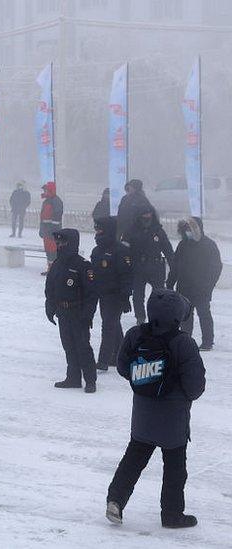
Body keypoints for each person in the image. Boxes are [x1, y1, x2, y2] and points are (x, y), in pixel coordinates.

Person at [106, 289, 205, 529]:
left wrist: (145, 380)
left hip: (142, 416)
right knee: (175, 470)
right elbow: (195, 386)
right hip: (173, 421)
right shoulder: (184, 343)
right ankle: (172, 515)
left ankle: (115, 500)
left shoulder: (135, 334)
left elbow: (122, 367)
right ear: (178, 316)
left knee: (132, 461)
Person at [45, 228, 98, 393]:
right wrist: (50, 306)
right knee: (68, 346)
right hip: (63, 312)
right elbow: (50, 288)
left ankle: (90, 380)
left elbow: (92, 294)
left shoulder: (83, 266)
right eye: (58, 242)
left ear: (72, 243)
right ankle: (73, 378)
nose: (59, 245)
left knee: (83, 347)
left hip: (78, 312)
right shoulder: (57, 264)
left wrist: (87, 315)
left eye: (62, 242)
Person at [167, 217, 222, 351]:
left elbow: (216, 267)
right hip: (184, 287)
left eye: (190, 229)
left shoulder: (209, 245)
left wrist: (208, 285)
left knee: (204, 314)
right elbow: (175, 266)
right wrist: (170, 282)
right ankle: (186, 339)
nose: (188, 232)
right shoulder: (182, 245)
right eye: (186, 230)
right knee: (185, 315)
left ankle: (207, 342)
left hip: (202, 288)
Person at [91, 217, 134, 371]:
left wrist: (125, 297)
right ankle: (121, 355)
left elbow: (126, 276)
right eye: (96, 229)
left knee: (108, 326)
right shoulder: (97, 250)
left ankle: (103, 360)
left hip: (115, 295)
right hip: (102, 295)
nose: (97, 232)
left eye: (100, 229)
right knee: (113, 325)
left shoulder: (121, 251)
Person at [123, 207, 173, 325]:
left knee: (159, 294)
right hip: (138, 266)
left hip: (156, 267)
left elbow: (168, 251)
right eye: (144, 215)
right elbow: (123, 250)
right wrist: (125, 266)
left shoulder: (158, 231)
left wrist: (174, 268)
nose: (146, 217)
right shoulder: (131, 230)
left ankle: (157, 316)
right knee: (138, 295)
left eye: (149, 215)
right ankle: (140, 318)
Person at [116, 179, 152, 243]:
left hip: (137, 232)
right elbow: (120, 214)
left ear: (136, 188)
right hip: (125, 231)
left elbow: (147, 216)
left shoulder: (142, 200)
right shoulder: (125, 198)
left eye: (131, 187)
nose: (129, 188)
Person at [39, 181, 64, 273]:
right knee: (49, 252)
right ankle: (50, 269)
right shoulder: (47, 201)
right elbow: (43, 218)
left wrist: (53, 231)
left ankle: (54, 270)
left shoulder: (56, 201)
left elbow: (57, 217)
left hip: (52, 232)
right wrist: (42, 230)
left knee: (53, 252)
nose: (44, 192)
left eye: (45, 190)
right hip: (47, 231)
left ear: (50, 190)